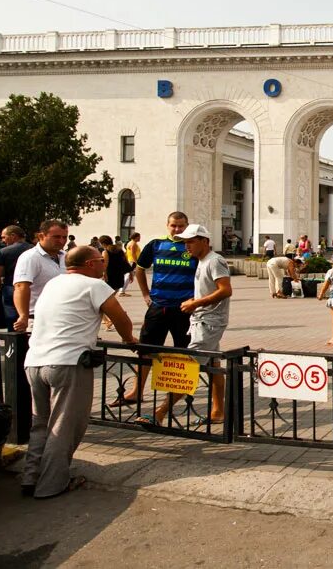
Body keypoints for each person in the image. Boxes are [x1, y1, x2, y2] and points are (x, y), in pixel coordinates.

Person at [21, 246, 136, 499]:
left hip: (35, 360)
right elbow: (120, 318)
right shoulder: (94, 286)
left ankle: (30, 477)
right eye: (101, 261)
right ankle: (51, 485)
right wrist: (129, 340)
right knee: (65, 425)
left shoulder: (54, 284)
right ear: (90, 264)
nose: (104, 265)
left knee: (40, 423)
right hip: (67, 363)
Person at [114, 212, 197, 407]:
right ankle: (136, 392)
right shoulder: (156, 244)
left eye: (181, 226)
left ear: (187, 226)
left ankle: (177, 394)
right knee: (146, 350)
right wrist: (145, 294)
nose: (177, 229)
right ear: (167, 225)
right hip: (158, 307)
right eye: (173, 226)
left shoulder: (192, 246)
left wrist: (196, 301)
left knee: (184, 352)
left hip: (184, 309)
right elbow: (140, 268)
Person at [151, 224, 230, 426]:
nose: (187, 246)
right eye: (185, 242)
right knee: (213, 366)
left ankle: (159, 413)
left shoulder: (215, 261)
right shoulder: (202, 261)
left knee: (188, 369)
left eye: (191, 241)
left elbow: (225, 290)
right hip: (202, 320)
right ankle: (218, 411)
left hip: (209, 322)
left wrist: (197, 303)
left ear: (205, 241)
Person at [12, 220, 69, 332]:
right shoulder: (30, 257)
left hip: (63, 317)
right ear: (41, 236)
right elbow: (21, 287)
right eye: (56, 237)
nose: (61, 241)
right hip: (38, 319)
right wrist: (23, 315)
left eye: (64, 237)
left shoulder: (66, 256)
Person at [0, 224, 31, 329]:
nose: (3, 240)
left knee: (13, 322)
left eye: (4, 237)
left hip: (10, 288)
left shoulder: (4, 252)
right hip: (32, 288)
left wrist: (0, 284)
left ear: (13, 236)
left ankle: (14, 344)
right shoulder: (34, 249)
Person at [120, 232, 142, 296]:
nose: (140, 238)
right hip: (132, 261)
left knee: (128, 275)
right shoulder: (133, 244)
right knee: (128, 275)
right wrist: (136, 262)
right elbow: (133, 254)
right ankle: (121, 291)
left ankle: (121, 290)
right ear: (136, 237)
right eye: (139, 237)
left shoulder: (130, 243)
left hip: (130, 261)